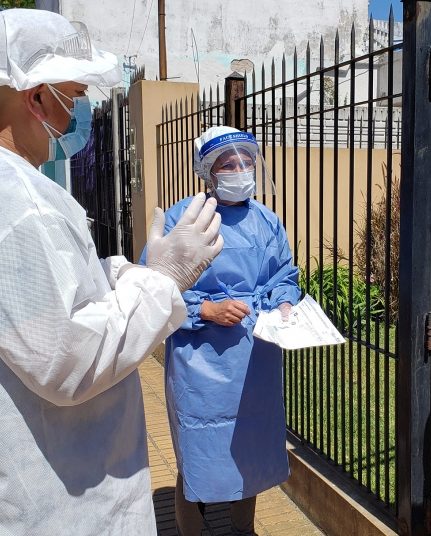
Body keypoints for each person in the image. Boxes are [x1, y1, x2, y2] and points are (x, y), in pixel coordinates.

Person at [0, 9, 223, 535]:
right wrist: (164, 279)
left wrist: (124, 272)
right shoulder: (21, 204)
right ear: (37, 98)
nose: (78, 113)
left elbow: (53, 300)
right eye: (74, 96)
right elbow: (68, 359)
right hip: (68, 501)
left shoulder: (23, 191)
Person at [141, 126, 300, 535]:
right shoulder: (184, 219)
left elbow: (283, 274)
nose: (241, 169)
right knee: (197, 455)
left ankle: (242, 529)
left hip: (255, 359)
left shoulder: (266, 221)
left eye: (247, 160)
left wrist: (284, 301)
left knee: (249, 449)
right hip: (200, 362)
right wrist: (206, 309)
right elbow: (152, 285)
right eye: (229, 164)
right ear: (208, 172)